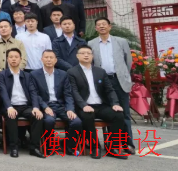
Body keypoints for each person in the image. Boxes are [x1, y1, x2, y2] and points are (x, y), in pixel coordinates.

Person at [67, 46, 128, 159]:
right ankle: (95, 147)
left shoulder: (100, 71)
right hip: (84, 106)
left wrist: (115, 103)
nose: (86, 55)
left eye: (88, 53)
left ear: (92, 56)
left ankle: (113, 147)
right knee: (87, 117)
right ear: (77, 56)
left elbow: (109, 90)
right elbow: (74, 91)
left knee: (118, 115)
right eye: (83, 53)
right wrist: (83, 105)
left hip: (101, 105)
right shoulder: (72, 72)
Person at [88, 17, 134, 151]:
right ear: (96, 28)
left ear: (109, 27)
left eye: (104, 24)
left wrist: (123, 75)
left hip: (119, 80)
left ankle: (127, 143)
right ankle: (112, 143)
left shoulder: (121, 41)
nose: (102, 26)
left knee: (124, 112)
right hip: (102, 81)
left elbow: (128, 61)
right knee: (109, 111)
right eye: (99, 25)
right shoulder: (91, 43)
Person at [28, 50, 82, 156]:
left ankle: (69, 146)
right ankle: (49, 147)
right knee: (49, 121)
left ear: (55, 60)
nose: (49, 60)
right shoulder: (34, 74)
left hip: (61, 105)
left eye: (51, 57)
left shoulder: (63, 74)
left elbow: (68, 94)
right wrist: (45, 107)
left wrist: (70, 109)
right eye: (46, 57)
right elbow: (35, 94)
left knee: (76, 121)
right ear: (41, 59)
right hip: (46, 105)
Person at [0, 48, 45, 158]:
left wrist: (36, 107)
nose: (13, 59)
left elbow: (33, 92)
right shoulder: (2, 75)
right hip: (10, 106)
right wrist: (9, 107)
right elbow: (3, 92)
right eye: (11, 57)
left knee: (37, 116)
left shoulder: (27, 75)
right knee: (11, 116)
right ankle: (14, 147)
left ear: (20, 59)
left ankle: (34, 147)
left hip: (25, 106)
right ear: (7, 59)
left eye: (16, 57)